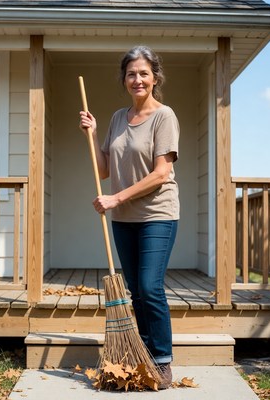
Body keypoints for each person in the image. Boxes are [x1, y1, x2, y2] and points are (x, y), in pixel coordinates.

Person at [79, 45, 180, 389]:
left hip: (157, 214)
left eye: (143, 73)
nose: (137, 79)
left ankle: (163, 360)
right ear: (124, 79)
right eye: (131, 73)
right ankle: (145, 353)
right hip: (123, 218)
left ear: (154, 78)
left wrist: (116, 198)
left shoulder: (164, 116)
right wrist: (92, 136)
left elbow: (162, 173)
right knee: (136, 291)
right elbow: (104, 169)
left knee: (150, 287)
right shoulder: (119, 118)